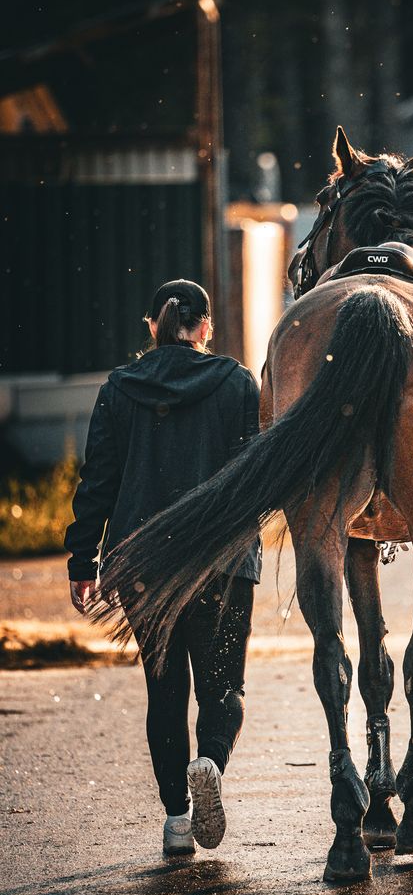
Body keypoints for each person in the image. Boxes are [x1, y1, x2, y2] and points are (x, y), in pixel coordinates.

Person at [65, 279, 261, 856]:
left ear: (152, 325)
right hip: (222, 563)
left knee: (165, 690)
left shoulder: (118, 389)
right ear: (205, 327)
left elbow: (98, 480)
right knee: (223, 687)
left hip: (144, 565)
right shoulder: (236, 384)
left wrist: (83, 558)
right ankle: (211, 762)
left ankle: (177, 819)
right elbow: (254, 477)